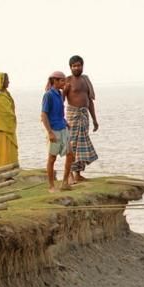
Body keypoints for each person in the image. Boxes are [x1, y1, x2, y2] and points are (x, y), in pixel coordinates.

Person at [64, 55, 98, 183]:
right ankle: (70, 175)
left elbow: (90, 101)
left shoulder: (85, 80)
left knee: (81, 146)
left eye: (79, 65)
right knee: (71, 145)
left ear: (82, 66)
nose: (77, 68)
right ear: (70, 67)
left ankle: (78, 174)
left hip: (84, 115)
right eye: (74, 66)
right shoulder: (67, 80)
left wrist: (95, 120)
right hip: (72, 115)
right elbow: (59, 98)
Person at [41, 71, 73, 192]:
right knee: (52, 158)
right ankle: (51, 186)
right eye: (62, 80)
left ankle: (65, 182)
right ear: (55, 81)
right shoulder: (48, 95)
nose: (64, 83)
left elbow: (59, 112)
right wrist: (49, 132)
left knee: (70, 154)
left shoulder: (59, 94)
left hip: (62, 128)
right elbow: (44, 115)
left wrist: (65, 122)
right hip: (53, 129)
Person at [0, 72, 18, 169]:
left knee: (10, 150)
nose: (8, 82)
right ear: (1, 81)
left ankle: (11, 169)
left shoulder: (6, 94)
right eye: (7, 80)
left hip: (9, 127)